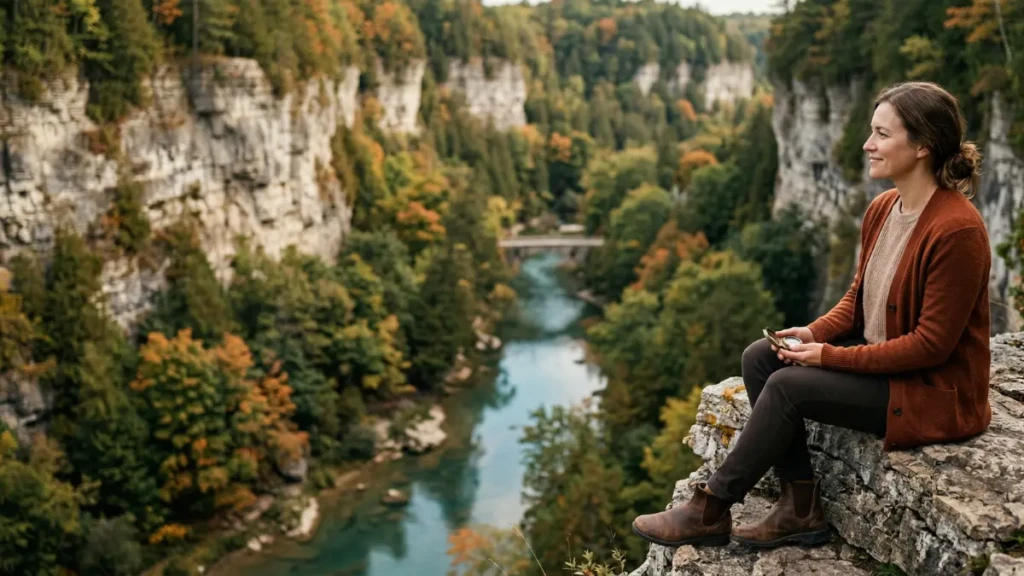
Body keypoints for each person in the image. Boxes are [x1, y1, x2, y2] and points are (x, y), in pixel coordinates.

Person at [631, 81, 993, 550]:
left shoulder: (958, 229)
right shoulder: (885, 207)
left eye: (882, 134)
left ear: (922, 146)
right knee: (763, 357)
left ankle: (710, 510)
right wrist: (812, 334)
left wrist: (826, 358)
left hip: (931, 391)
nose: (867, 144)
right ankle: (798, 508)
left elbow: (930, 347)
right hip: (887, 368)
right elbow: (858, 296)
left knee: (787, 385)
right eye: (871, 131)